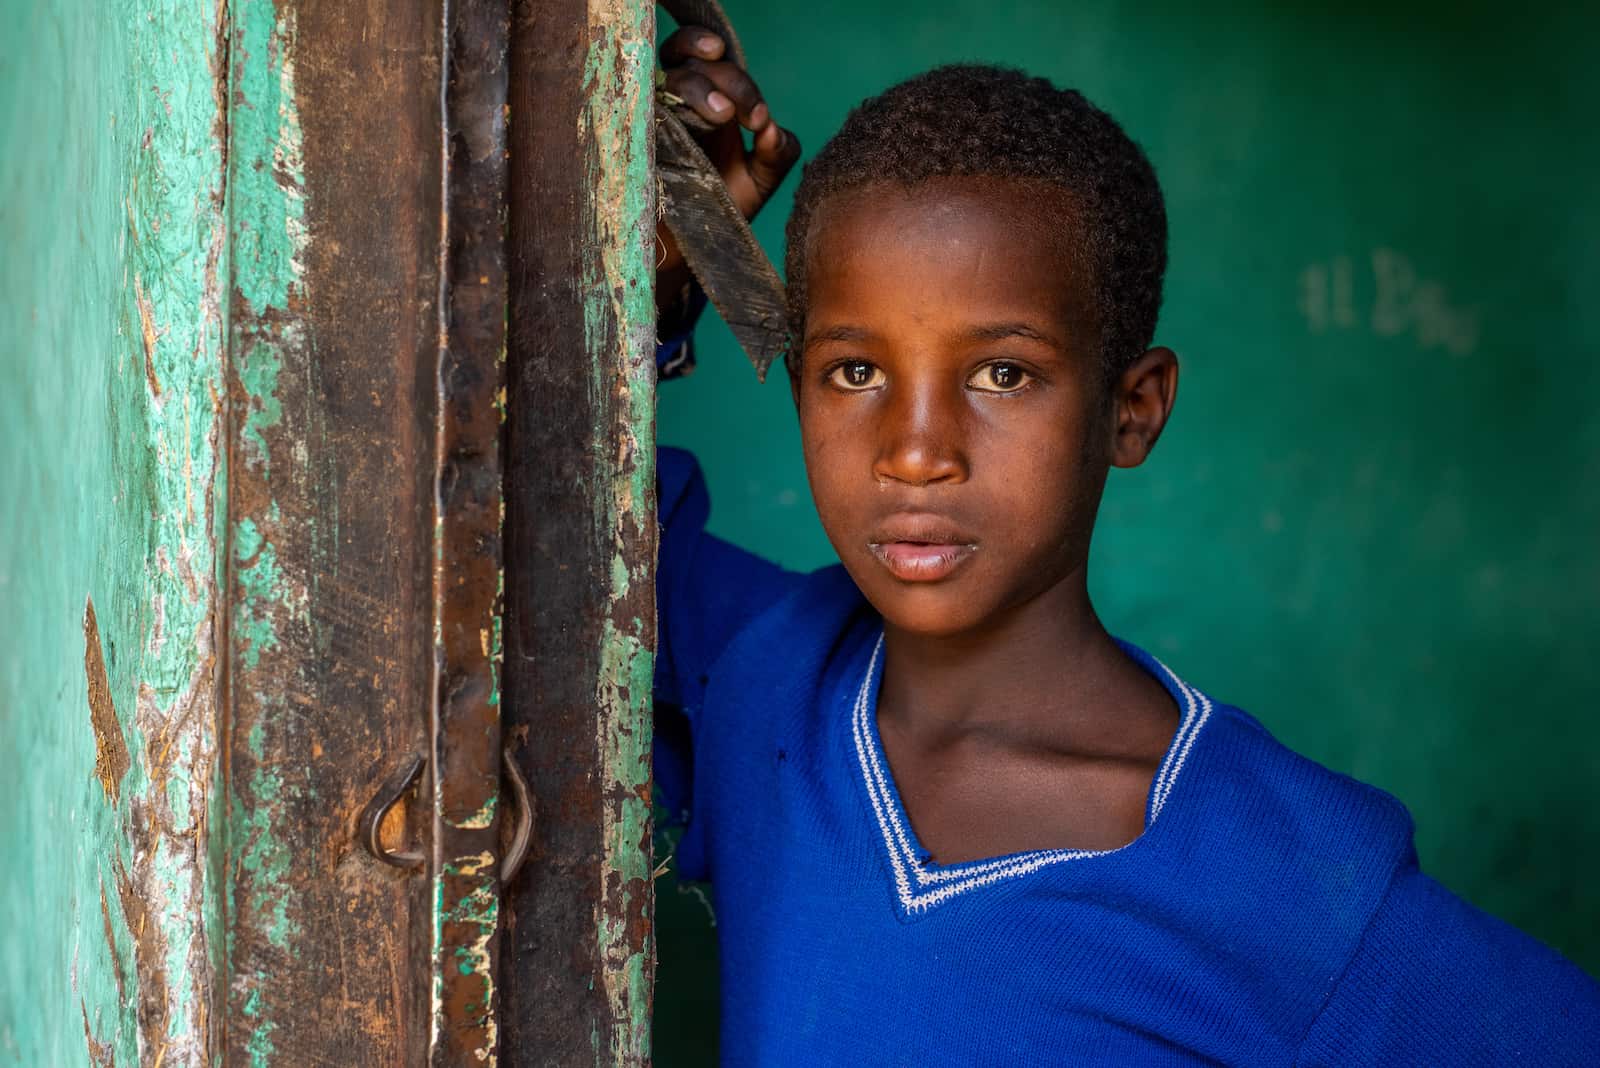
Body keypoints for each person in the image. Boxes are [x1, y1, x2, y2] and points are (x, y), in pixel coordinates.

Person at [650, 25, 1600, 1066]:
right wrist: (652, 282)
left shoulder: (1283, 880)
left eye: (1001, 375)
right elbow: (530, 557)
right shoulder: (757, 679)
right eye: (854, 373)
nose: (914, 453)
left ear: (1131, 410)